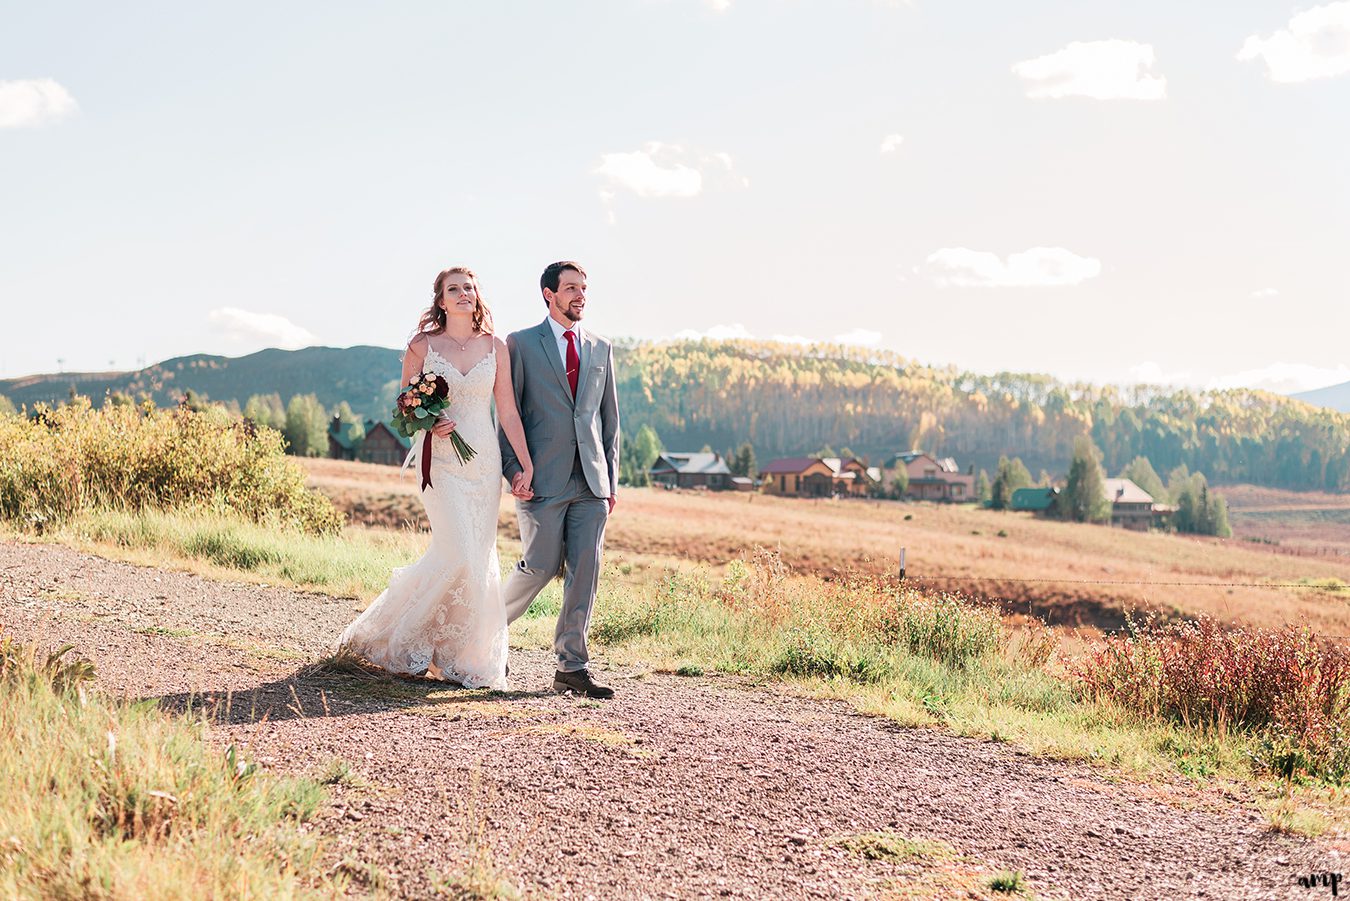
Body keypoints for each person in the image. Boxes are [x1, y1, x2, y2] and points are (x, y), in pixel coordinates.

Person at [337, 266, 534, 690]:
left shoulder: (495, 347)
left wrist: (524, 461)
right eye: (454, 289)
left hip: (483, 465)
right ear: (441, 300)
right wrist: (430, 419)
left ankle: (460, 654)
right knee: (458, 551)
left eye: (470, 288)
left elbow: (509, 411)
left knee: (477, 560)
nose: (464, 294)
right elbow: (405, 406)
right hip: (441, 462)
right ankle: (400, 639)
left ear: (477, 297)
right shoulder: (422, 346)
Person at [499, 260, 620, 699]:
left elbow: (610, 423)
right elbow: (508, 415)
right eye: (571, 288)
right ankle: (483, 637)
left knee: (585, 570)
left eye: (584, 288)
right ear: (549, 294)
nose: (580, 296)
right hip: (540, 479)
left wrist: (611, 483)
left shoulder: (601, 348)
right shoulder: (521, 344)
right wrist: (513, 469)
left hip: (591, 482)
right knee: (540, 565)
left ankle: (572, 666)